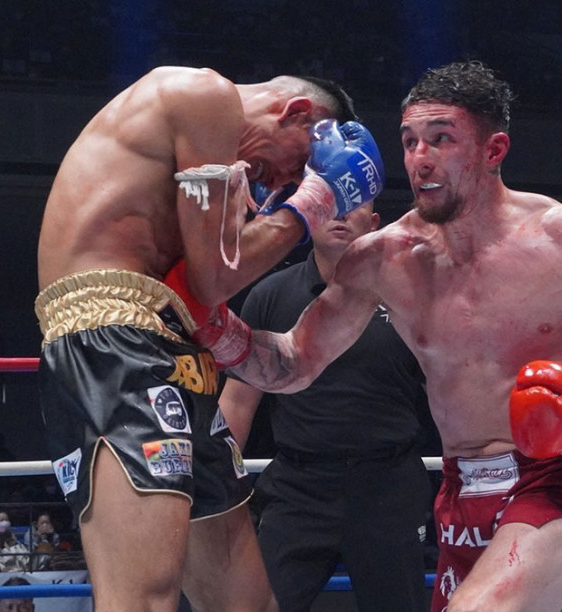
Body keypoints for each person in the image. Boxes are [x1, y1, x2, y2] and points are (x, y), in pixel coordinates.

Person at [191, 61, 562, 611]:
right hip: (460, 493)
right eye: (409, 141)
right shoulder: (384, 258)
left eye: (441, 139)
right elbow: (294, 362)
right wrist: (215, 327)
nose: (420, 159)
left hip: (558, 481)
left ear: (493, 151)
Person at [35, 65, 383, 612]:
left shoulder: (218, 167)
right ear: (296, 114)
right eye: (296, 167)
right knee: (143, 598)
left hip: (174, 348)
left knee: (246, 604)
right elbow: (217, 277)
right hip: (114, 340)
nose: (280, 185)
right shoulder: (206, 96)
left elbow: (204, 291)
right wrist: (314, 200)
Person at [221, 200, 432, 611]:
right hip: (298, 488)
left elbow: (444, 388)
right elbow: (239, 403)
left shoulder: (408, 295)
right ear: (310, 219)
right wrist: (219, 488)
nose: (340, 213)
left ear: (374, 222)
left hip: (388, 486)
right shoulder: (271, 295)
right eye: (332, 202)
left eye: (354, 204)